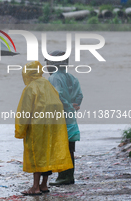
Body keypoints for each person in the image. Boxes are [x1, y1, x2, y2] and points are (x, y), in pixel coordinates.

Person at [15, 61, 73, 196]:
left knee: (37, 156)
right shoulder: (48, 84)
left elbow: (25, 111)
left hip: (37, 128)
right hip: (52, 127)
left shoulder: (30, 88)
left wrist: (20, 130)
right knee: (47, 154)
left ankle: (35, 187)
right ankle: (43, 185)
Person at [45, 50, 83, 186]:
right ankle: (69, 176)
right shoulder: (72, 77)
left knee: (62, 149)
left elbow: (58, 97)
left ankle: (63, 177)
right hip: (71, 119)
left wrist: (66, 106)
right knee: (70, 148)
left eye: (47, 62)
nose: (46, 66)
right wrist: (74, 106)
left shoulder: (54, 78)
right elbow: (79, 96)